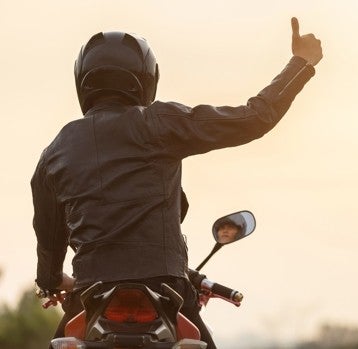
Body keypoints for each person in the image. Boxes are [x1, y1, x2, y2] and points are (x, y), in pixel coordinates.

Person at [31, 17, 322, 349]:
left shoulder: (55, 152)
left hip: (91, 292)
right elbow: (253, 118)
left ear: (82, 81)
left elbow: (50, 238)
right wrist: (302, 63)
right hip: (167, 289)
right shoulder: (160, 123)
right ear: (147, 78)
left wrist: (52, 281)